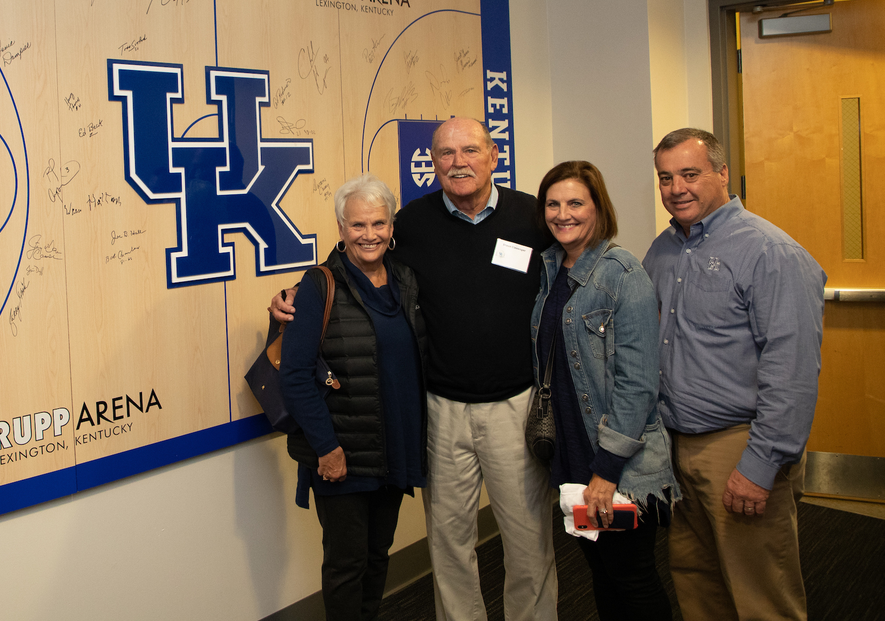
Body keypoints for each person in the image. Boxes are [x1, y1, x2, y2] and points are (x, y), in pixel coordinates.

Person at [273, 118, 557, 621]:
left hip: (514, 404)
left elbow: (574, 266)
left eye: (470, 150)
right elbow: (355, 259)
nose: (458, 162)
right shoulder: (413, 224)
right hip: (442, 411)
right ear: (432, 163)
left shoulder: (531, 217)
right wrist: (291, 300)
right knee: (449, 546)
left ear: (494, 156)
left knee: (529, 541)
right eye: (445, 153)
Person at [643, 128, 825, 621]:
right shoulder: (661, 252)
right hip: (678, 448)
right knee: (698, 583)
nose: (676, 188)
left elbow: (791, 372)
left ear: (722, 174)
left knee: (761, 594)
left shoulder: (770, 252)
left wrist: (761, 464)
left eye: (689, 174)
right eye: (665, 177)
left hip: (739, 447)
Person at [530, 161, 678, 620]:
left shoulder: (622, 273)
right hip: (573, 454)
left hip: (616, 461)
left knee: (632, 577)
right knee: (602, 572)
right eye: (553, 204)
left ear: (598, 208)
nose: (562, 213)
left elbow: (638, 385)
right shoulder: (552, 267)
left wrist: (607, 469)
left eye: (575, 202)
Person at [279, 173, 428, 621]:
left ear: (391, 227)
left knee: (379, 555)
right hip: (342, 454)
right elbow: (296, 376)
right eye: (358, 225)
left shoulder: (405, 280)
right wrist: (326, 448)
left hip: (393, 449)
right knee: (347, 564)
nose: (370, 235)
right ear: (341, 229)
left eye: (379, 224)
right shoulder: (318, 286)